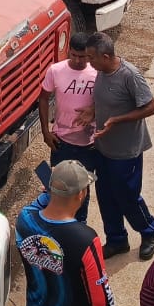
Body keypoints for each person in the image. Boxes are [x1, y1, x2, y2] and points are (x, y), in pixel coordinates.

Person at [16, 160, 117, 306]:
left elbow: (37, 205)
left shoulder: (24, 219)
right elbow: (99, 295)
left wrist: (50, 194)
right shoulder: (84, 239)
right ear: (81, 194)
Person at [87, 30, 154, 260]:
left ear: (106, 57)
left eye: (92, 57)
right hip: (103, 147)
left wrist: (115, 120)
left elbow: (151, 107)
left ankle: (149, 230)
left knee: (127, 195)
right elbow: (103, 100)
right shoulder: (101, 71)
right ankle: (117, 239)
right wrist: (91, 112)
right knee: (106, 195)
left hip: (126, 151)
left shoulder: (130, 75)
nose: (89, 62)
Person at [41, 33, 99, 222]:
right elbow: (43, 98)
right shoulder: (55, 71)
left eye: (82, 56)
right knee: (57, 184)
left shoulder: (97, 72)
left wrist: (93, 109)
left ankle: (80, 223)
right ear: (68, 51)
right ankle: (57, 221)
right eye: (73, 55)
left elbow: (110, 100)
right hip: (61, 140)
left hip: (88, 142)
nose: (77, 60)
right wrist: (45, 131)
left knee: (82, 187)